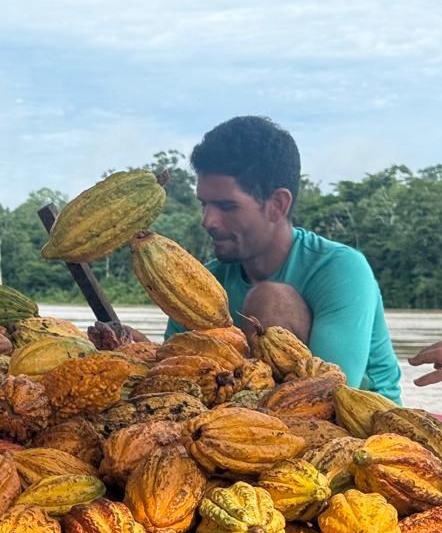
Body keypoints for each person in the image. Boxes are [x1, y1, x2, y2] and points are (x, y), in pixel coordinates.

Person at [167, 116, 401, 401]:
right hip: (231, 423)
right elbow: (174, 378)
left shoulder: (340, 269)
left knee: (268, 300)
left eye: (226, 206)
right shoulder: (201, 282)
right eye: (204, 205)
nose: (208, 221)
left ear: (277, 205)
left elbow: (330, 393)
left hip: (357, 430)